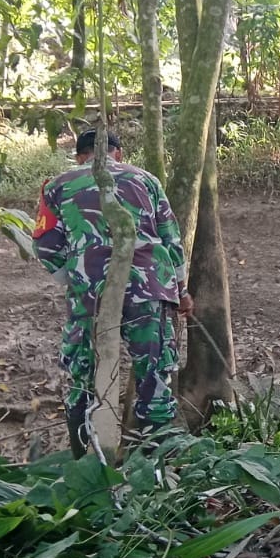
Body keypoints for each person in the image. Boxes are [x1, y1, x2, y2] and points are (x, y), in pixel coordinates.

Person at [33, 129, 192, 457]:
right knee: (153, 371)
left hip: (89, 292)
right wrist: (181, 292)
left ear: (80, 157)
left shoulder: (57, 186)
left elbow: (45, 244)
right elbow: (171, 239)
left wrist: (76, 279)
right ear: (118, 154)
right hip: (148, 287)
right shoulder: (146, 181)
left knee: (81, 372)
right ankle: (156, 467)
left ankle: (84, 461)